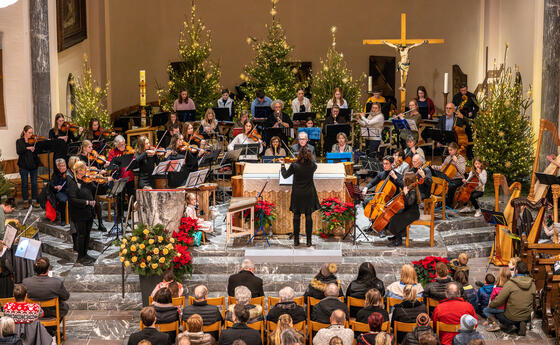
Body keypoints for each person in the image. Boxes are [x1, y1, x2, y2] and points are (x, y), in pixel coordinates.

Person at [280, 146, 320, 247]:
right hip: (309, 193)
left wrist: (282, 165)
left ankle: (296, 241)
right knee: (308, 216)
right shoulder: (313, 166)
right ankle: (309, 241)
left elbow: (284, 175)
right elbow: (312, 165)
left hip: (297, 193)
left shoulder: (294, 165)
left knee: (296, 216)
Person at [487, 261, 535, 335]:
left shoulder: (510, 283)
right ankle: (521, 323)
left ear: (516, 271)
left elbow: (499, 301)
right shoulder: (532, 283)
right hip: (526, 316)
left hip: (511, 317)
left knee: (492, 310)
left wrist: (491, 305)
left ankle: (509, 325)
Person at [67, 161, 96, 265]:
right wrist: (87, 202)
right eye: (84, 168)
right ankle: (80, 257)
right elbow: (72, 200)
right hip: (79, 213)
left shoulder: (85, 180)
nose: (86, 170)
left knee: (87, 234)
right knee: (82, 235)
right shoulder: (72, 182)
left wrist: (92, 180)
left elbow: (95, 189)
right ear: (78, 170)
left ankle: (85, 254)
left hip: (88, 212)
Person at [385, 171, 421, 247]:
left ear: (407, 180)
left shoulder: (413, 191)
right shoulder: (410, 187)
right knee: (393, 216)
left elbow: (409, 203)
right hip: (408, 211)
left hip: (413, 213)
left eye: (404, 178)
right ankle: (397, 235)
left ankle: (398, 240)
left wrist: (406, 193)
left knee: (394, 219)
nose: (403, 179)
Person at [16, 125, 40, 208]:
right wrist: (28, 148)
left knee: (34, 183)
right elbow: (19, 151)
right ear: (24, 132)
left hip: (33, 165)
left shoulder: (33, 141)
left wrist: (36, 146)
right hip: (23, 166)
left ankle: (34, 201)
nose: (31, 134)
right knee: (25, 184)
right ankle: (25, 201)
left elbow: (38, 151)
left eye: (32, 133)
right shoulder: (19, 141)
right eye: (29, 133)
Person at [48, 159, 69, 224]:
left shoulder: (69, 173)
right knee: (62, 200)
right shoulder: (55, 174)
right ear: (58, 167)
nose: (63, 168)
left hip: (68, 191)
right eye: (61, 166)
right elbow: (51, 184)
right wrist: (56, 187)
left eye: (64, 166)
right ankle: (63, 219)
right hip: (60, 192)